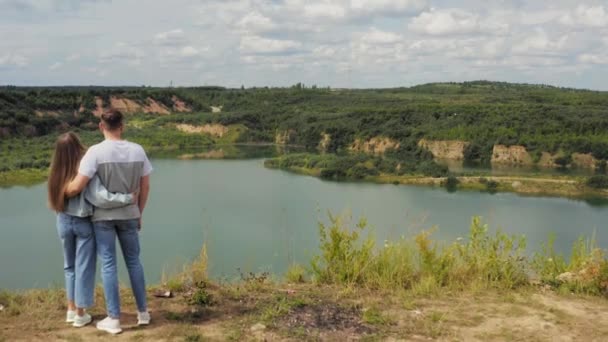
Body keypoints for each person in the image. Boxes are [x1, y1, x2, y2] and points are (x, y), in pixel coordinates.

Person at [66, 109, 152, 335]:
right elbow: (145, 186)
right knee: (134, 261)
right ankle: (143, 313)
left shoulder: (95, 152)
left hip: (103, 217)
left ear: (101, 126)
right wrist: (139, 212)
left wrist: (58, 192)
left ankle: (114, 318)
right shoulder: (138, 150)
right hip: (130, 214)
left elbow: (78, 186)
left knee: (108, 264)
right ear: (122, 125)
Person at [48, 132, 136, 328]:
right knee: (84, 268)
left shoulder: (55, 172)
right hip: (83, 223)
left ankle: (71, 309)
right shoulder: (84, 169)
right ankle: (80, 313)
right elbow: (100, 196)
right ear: (77, 147)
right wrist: (128, 199)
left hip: (62, 221)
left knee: (69, 266)